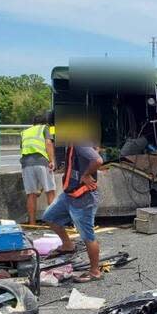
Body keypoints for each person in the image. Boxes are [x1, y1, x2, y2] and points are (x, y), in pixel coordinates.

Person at [41, 143, 103, 282]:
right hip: (68, 194)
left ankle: (95, 271)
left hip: (83, 197)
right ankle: (67, 245)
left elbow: (98, 160)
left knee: (87, 235)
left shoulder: (80, 142)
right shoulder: (72, 144)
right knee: (50, 217)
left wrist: (86, 174)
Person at [20, 113, 56, 225]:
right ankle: (53, 223)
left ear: (33, 123)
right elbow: (48, 143)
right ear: (45, 122)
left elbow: (22, 148)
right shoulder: (44, 128)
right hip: (41, 162)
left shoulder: (24, 132)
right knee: (50, 191)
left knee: (31, 194)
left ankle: (32, 223)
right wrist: (51, 161)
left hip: (26, 164)